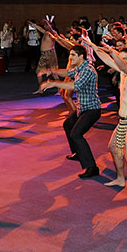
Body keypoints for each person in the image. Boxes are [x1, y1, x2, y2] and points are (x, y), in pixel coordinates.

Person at [87, 41, 127, 208]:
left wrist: (113, 52)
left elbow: (120, 64)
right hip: (123, 121)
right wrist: (93, 46)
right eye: (121, 59)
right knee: (113, 148)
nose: (123, 62)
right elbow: (108, 60)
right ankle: (121, 178)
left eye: (126, 59)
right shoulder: (122, 74)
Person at [40, 45, 102, 179]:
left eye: (73, 55)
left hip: (92, 110)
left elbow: (76, 85)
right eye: (70, 54)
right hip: (82, 109)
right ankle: (78, 152)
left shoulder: (87, 70)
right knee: (68, 124)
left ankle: (92, 167)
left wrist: (54, 83)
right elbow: (68, 73)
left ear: (81, 57)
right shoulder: (79, 68)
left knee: (76, 134)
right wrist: (51, 71)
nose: (70, 57)